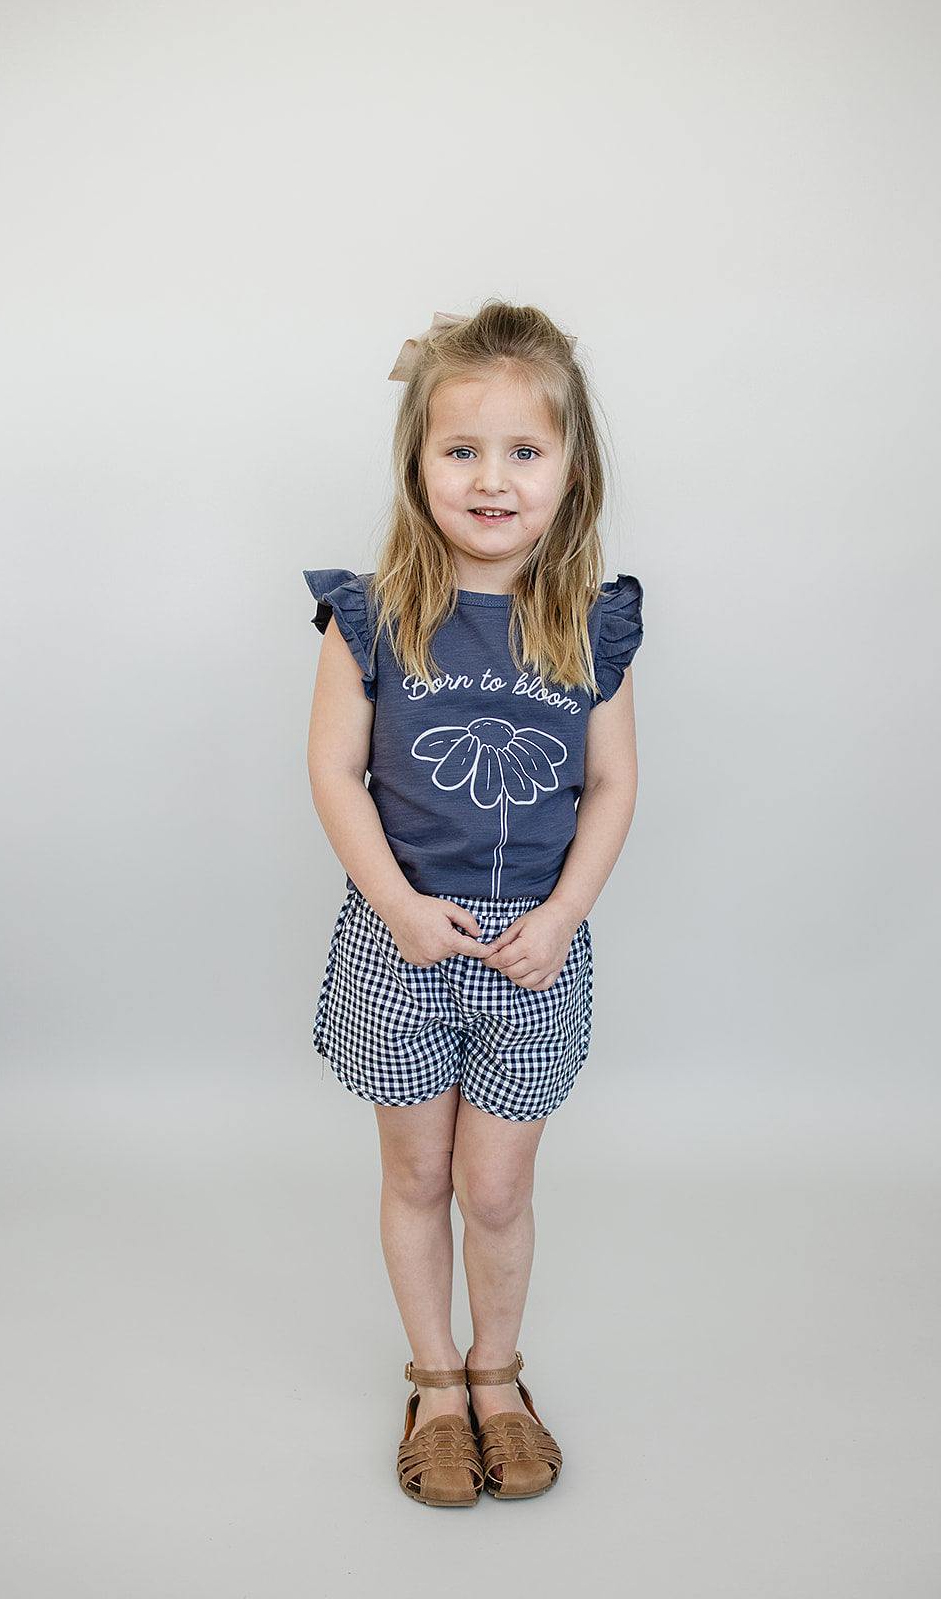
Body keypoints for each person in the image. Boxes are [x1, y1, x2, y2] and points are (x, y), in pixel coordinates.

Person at [304, 302, 642, 1506]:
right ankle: (435, 1383)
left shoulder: (588, 623)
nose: (491, 479)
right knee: (417, 1176)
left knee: (495, 1188)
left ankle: (499, 1375)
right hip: (399, 941)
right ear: (418, 464)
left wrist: (559, 918)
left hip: (531, 952)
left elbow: (611, 785)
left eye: (523, 450)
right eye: (461, 449)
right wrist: (396, 904)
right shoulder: (372, 616)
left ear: (570, 469)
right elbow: (332, 771)